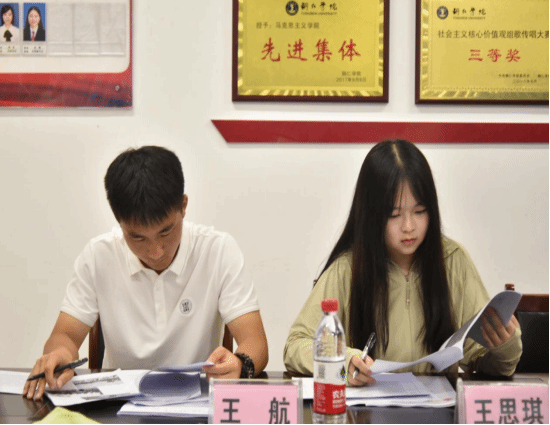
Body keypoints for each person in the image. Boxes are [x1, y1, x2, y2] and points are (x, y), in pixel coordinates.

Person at [23, 146, 269, 400]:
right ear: (119, 221)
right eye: (138, 237)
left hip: (196, 402)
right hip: (118, 405)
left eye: (166, 231)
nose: (155, 252)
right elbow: (65, 335)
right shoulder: (99, 256)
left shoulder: (218, 251)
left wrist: (241, 364)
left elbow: (255, 341)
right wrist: (60, 353)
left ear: (183, 206)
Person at [284, 140, 522, 386]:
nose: (409, 226)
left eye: (420, 211)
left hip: (441, 406)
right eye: (394, 214)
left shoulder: (452, 261)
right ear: (371, 214)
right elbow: (296, 345)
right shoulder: (349, 268)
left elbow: (484, 362)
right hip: (367, 406)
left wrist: (504, 347)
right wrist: (345, 360)